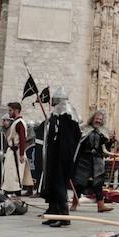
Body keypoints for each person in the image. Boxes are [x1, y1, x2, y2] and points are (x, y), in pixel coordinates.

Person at [38, 90, 80, 226]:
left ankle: (63, 216)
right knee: (53, 185)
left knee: (59, 186)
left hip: (61, 157)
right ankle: (53, 213)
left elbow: (70, 139)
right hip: (54, 156)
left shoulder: (67, 118)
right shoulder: (57, 117)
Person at [72, 110, 116, 213]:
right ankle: (74, 203)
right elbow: (79, 143)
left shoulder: (102, 132)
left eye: (100, 119)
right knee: (80, 182)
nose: (98, 121)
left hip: (97, 159)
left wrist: (111, 142)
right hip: (84, 158)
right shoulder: (84, 129)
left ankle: (100, 205)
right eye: (97, 118)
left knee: (98, 182)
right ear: (92, 118)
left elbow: (104, 148)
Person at [0, 102, 32, 195]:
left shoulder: (19, 123)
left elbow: (22, 139)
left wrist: (21, 154)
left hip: (16, 152)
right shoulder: (15, 122)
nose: (9, 113)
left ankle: (14, 196)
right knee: (9, 175)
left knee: (14, 176)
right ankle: (8, 195)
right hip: (12, 151)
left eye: (10, 110)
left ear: (16, 110)